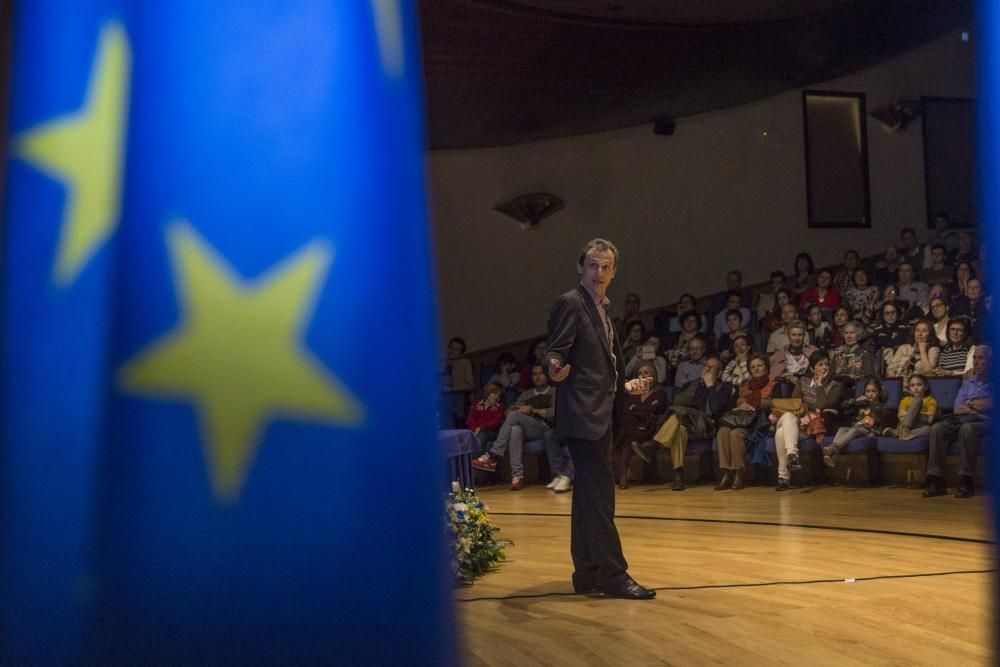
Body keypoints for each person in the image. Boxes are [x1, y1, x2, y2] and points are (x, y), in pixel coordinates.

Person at [543, 238, 656, 600]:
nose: (599, 273)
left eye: (606, 267)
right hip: (583, 416)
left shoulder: (604, 309)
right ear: (580, 267)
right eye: (593, 265)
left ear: (614, 272)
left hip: (600, 415)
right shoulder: (571, 302)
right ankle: (613, 575)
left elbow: (604, 365)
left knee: (588, 499)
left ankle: (588, 574)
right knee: (601, 498)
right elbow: (555, 350)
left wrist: (627, 384)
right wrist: (554, 368)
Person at [472, 364, 568, 491]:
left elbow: (553, 414)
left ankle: (493, 454)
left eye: (540, 373)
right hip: (526, 428)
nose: (537, 377)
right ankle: (517, 475)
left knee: (515, 417)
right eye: (534, 374)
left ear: (547, 375)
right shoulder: (527, 394)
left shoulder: (554, 391)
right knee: (515, 428)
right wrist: (521, 409)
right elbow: (508, 412)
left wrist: (534, 410)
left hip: (546, 429)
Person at [648, 357, 731, 491]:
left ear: (720, 373)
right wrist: (696, 387)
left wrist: (710, 386)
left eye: (713, 368)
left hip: (706, 426)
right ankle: (678, 475)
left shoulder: (724, 388)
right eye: (706, 367)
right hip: (687, 423)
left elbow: (715, 410)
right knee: (679, 429)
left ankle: (655, 445)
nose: (708, 370)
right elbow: (677, 402)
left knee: (677, 416)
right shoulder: (692, 385)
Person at [925, 346, 992, 498]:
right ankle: (936, 480)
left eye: (981, 358)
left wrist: (969, 404)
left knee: (967, 429)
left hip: (986, 422)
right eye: (974, 358)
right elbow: (957, 408)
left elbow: (991, 404)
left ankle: (966, 480)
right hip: (962, 419)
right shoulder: (968, 381)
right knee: (938, 428)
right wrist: (975, 405)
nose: (976, 362)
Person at [771, 351, 843, 490]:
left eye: (827, 364)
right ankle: (792, 455)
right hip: (796, 421)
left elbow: (823, 405)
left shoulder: (835, 386)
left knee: (781, 432)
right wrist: (810, 406)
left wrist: (820, 385)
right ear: (812, 368)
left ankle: (783, 477)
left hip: (813, 427)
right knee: (788, 416)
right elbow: (795, 404)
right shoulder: (803, 382)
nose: (824, 368)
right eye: (820, 364)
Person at [715, 353, 774, 490]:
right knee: (723, 431)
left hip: (758, 422)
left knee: (736, 434)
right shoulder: (744, 386)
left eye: (759, 365)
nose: (756, 369)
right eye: (753, 367)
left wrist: (753, 404)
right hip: (739, 418)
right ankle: (726, 473)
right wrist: (741, 403)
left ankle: (738, 474)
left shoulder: (772, 385)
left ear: (766, 368)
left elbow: (773, 403)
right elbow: (733, 404)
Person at [614, 361, 669, 489]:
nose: (643, 376)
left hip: (651, 428)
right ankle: (623, 473)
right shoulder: (632, 393)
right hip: (634, 429)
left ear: (653, 375)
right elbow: (626, 410)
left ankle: (623, 475)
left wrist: (636, 411)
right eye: (640, 373)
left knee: (627, 431)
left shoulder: (660, 393)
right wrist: (640, 411)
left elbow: (656, 409)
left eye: (646, 372)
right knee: (629, 430)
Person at [822, 377, 890, 469]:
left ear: (879, 393)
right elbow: (844, 406)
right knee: (842, 429)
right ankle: (833, 456)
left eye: (874, 391)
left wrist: (874, 433)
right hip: (856, 428)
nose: (870, 394)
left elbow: (883, 422)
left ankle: (833, 448)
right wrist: (856, 401)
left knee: (855, 431)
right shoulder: (860, 404)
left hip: (869, 430)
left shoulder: (881, 407)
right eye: (868, 391)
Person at [882, 374, 937, 440]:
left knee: (929, 429)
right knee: (917, 399)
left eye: (919, 385)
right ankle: (905, 429)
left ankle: (898, 433)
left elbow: (930, 420)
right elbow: (900, 418)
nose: (915, 388)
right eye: (912, 385)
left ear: (926, 387)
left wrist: (911, 413)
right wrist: (923, 415)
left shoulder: (930, 400)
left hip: (919, 426)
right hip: (904, 424)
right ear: (909, 388)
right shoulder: (905, 400)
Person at [442, 336, 475, 428]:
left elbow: (470, 386)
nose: (452, 350)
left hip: (458, 398)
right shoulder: (442, 364)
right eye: (450, 347)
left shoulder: (464, 363)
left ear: (461, 353)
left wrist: (451, 389)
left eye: (456, 349)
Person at [466, 382, 506, 452]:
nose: (496, 397)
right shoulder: (476, 404)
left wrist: (481, 428)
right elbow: (470, 419)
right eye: (494, 393)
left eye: (499, 395)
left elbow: (496, 422)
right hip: (475, 430)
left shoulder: (500, 407)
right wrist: (474, 429)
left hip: (491, 432)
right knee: (465, 436)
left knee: (481, 436)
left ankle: (476, 461)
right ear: (488, 393)